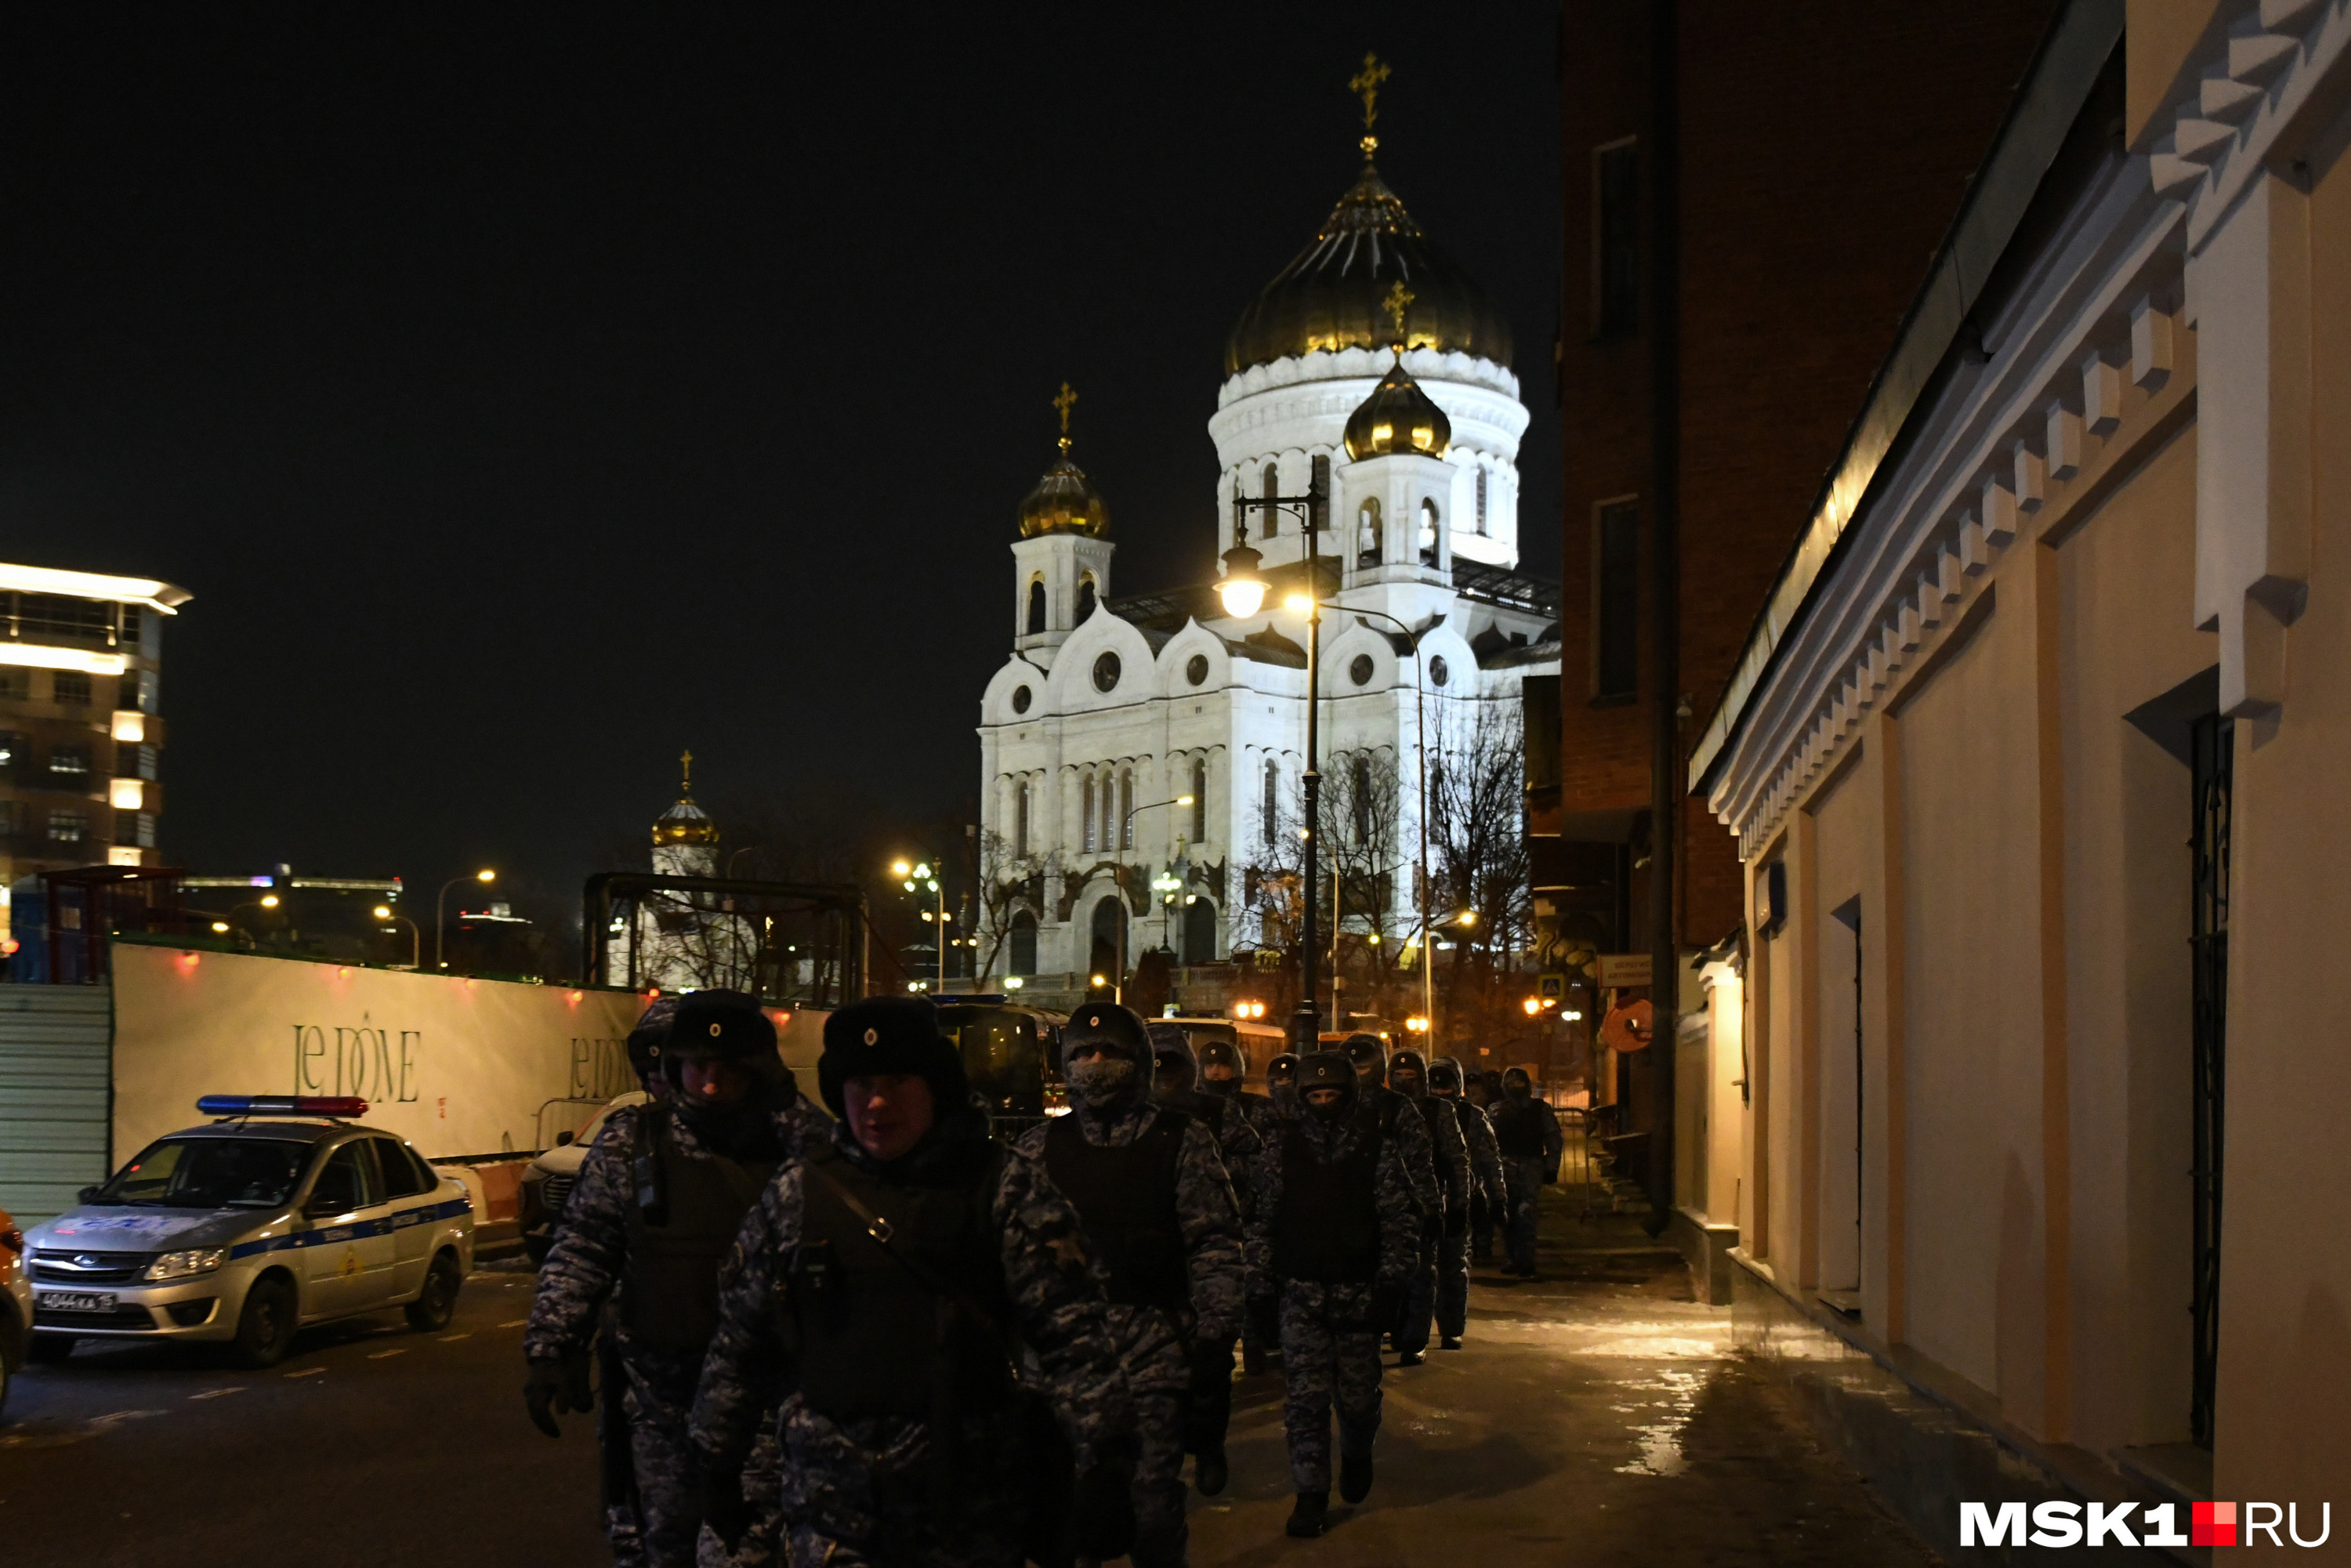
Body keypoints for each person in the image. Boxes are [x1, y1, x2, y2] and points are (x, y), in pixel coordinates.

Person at [690, 996, 1136, 1568]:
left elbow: (1076, 1341)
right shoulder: (800, 1196)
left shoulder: (1002, 1188)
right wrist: (715, 1460)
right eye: (861, 1083)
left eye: (898, 1080)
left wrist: (1106, 1465)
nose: (878, 1102)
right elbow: (740, 1343)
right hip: (832, 1515)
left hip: (968, 1515)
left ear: (935, 1085)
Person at [524, 991, 819, 1568]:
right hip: (661, 1397)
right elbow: (584, 1245)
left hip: (763, 1405)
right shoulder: (632, 1141)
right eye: (696, 1067)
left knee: (740, 1551)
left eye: (726, 1068)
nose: (709, 1084)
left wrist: (782, 1102)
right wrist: (552, 1346)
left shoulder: (793, 1142)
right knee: (664, 1546)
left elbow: (843, 1197)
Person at [1017, 1009, 1242, 1563]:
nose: (1096, 1065)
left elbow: (1214, 1244)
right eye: (1083, 1053)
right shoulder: (1037, 1147)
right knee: (1065, 1513)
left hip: (1152, 1351)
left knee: (1151, 1507)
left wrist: (1214, 1342)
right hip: (1060, 1361)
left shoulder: (1181, 1141)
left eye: (1110, 1052)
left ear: (1137, 1060)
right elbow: (1012, 1254)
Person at [1245, 1051, 1417, 1539]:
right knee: (1305, 1402)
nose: (1323, 1103)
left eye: (1332, 1095)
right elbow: (1263, 1220)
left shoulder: (1373, 1148)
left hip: (1359, 1291)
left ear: (1348, 1097)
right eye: (1314, 1096)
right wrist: (1257, 1287)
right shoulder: (1280, 1148)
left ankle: (1358, 1451)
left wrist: (1392, 1283)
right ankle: (1310, 1495)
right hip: (1300, 1293)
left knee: (1359, 1399)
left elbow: (1397, 1221)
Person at [1147, 1022, 1266, 1474]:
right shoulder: (1129, 1118)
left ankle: (1208, 1443)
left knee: (1211, 1356)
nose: (1163, 1079)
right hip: (1156, 1250)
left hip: (1208, 1246)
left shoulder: (1214, 1114)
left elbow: (1255, 1162)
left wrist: (1218, 1187)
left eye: (1171, 1067)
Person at [1339, 1034, 1438, 1358]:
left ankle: (1411, 1339)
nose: (1358, 1072)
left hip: (1394, 1208)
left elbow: (1419, 1163)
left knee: (1410, 1275)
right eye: (1352, 1065)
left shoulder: (1397, 1107)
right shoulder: (1332, 1104)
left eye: (1364, 1065)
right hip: (1350, 1209)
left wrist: (1428, 1208)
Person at [1386, 1048, 1469, 1357]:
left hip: (1427, 1201)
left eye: (1411, 1077)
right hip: (1389, 1204)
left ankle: (1415, 1339)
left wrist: (1460, 1203)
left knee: (1424, 1274)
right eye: (1399, 1076)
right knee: (1393, 1274)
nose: (1405, 1082)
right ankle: (1398, 1329)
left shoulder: (1439, 1111)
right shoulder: (1382, 1107)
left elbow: (1458, 1160)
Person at [1428, 1057, 1504, 1345]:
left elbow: (1489, 1158)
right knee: (1421, 1271)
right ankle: (1413, 1332)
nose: (1439, 1091)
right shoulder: (1421, 1111)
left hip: (1459, 1199)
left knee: (1453, 1267)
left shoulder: (1472, 1116)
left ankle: (1451, 1328)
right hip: (1425, 1200)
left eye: (1445, 1085)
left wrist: (1497, 1200)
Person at [1487, 1066, 1565, 1278]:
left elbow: (1554, 1139)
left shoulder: (1540, 1110)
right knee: (1508, 1215)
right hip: (1505, 1167)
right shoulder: (1496, 1111)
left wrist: (1551, 1167)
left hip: (1531, 1167)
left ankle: (1526, 1260)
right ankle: (1513, 1258)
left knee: (1526, 1213)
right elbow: (1486, 1144)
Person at [1461, 1068, 1503, 1262]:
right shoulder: (1460, 1109)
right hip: (1467, 1167)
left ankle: (1483, 1245)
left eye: (1476, 1086)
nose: (1472, 1090)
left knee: (1482, 1206)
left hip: (1479, 1166)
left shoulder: (1487, 1109)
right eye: (1469, 1086)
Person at [1265, 1052, 1303, 1123]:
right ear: (1272, 1083)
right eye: (1280, 1079)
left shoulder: (1307, 1111)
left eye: (1289, 1079)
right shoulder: (1263, 1111)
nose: (1285, 1083)